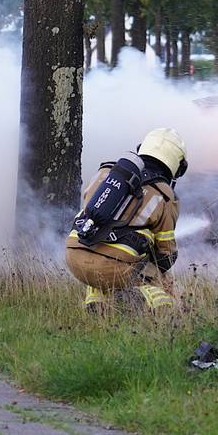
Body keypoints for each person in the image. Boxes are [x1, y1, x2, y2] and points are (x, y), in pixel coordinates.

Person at [65, 128, 187, 311]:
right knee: (163, 282)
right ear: (178, 168)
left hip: (75, 255)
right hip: (114, 270)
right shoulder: (165, 194)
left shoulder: (106, 173)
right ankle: (142, 296)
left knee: (100, 236)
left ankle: (96, 298)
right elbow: (165, 254)